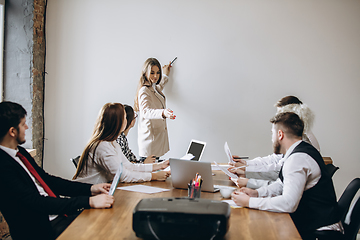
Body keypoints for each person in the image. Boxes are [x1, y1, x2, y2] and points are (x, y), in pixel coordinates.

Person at [0, 101, 114, 240]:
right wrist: (89, 202)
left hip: (57, 217)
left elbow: (48, 181)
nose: (27, 127)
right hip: (41, 230)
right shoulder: (3, 166)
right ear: (12, 131)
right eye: (23, 124)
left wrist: (91, 189)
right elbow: (36, 202)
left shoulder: (20, 152)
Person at [231, 112, 338, 239]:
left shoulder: (297, 159)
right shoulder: (301, 151)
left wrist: (249, 202)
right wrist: (257, 193)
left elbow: (289, 203)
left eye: (272, 133)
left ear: (280, 134)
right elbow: (281, 185)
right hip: (314, 224)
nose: (272, 138)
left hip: (320, 231)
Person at [229, 96, 320, 189]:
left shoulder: (303, 144)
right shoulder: (295, 139)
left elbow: (279, 172)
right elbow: (274, 159)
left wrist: (246, 172)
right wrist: (247, 164)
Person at [73, 103, 169, 184]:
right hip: (85, 195)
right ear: (118, 122)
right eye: (124, 117)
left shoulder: (112, 143)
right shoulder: (102, 146)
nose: (127, 120)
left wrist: (159, 166)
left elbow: (129, 166)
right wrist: (154, 176)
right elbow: (122, 175)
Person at [134, 58, 176, 161]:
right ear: (145, 73)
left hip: (156, 140)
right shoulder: (144, 90)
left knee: (156, 170)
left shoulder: (153, 88)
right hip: (149, 141)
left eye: (158, 73)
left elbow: (160, 86)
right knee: (150, 173)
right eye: (152, 73)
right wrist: (163, 112)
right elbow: (145, 112)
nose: (155, 76)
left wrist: (166, 74)